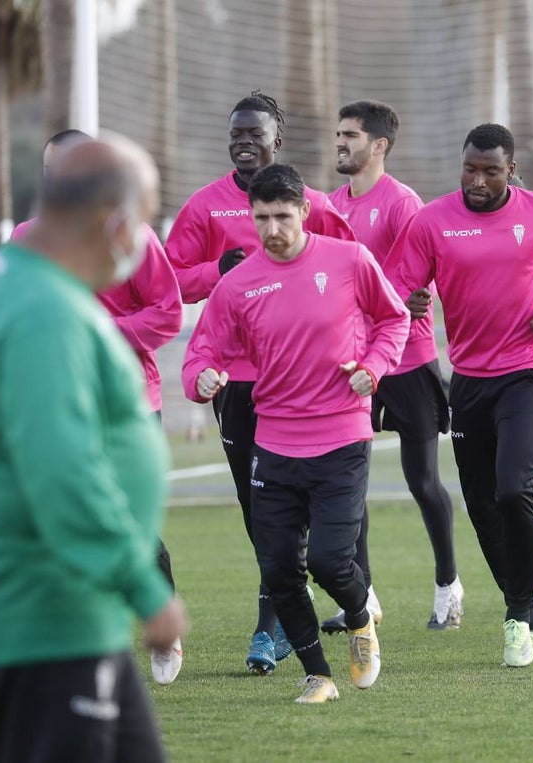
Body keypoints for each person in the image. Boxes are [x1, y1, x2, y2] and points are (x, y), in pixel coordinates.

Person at [0, 137, 189, 760]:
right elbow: (62, 473)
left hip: (67, 603)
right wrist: (147, 590)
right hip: (48, 605)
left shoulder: (10, 279)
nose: (141, 245)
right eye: (141, 223)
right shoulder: (45, 313)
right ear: (114, 222)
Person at [182, 164, 409, 703]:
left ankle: (359, 618)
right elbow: (201, 352)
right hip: (274, 444)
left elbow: (394, 319)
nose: (272, 229)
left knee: (330, 560)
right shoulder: (238, 284)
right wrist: (202, 379)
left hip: (342, 437)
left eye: (282, 216)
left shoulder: (350, 260)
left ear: (305, 211)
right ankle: (318, 675)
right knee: (279, 569)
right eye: (261, 218)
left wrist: (373, 368)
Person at [387, 123, 533, 667]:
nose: (478, 181)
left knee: (514, 492)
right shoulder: (431, 221)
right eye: (470, 169)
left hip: (530, 371)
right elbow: (396, 283)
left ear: (512, 171)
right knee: (482, 505)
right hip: (469, 378)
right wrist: (407, 299)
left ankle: (518, 617)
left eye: (491, 171)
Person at [164, 91, 360, 672]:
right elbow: (170, 279)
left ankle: (271, 627)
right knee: (259, 509)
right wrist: (214, 271)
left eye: (255, 132)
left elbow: (352, 270)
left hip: (307, 382)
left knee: (300, 507)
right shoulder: (205, 206)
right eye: (236, 133)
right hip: (238, 382)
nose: (244, 141)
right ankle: (291, 605)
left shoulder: (313, 204)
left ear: (278, 139)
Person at [14, 130, 186, 683]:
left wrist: (101, 332)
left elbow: (168, 312)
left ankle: (160, 617)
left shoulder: (132, 235)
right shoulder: (25, 238)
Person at [327, 100, 461, 630]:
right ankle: (360, 595)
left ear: (379, 145)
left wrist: (416, 296)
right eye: (339, 133)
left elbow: (424, 272)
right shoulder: (330, 206)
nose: (341, 142)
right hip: (350, 363)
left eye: (351, 135)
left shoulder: (403, 203)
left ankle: (448, 585)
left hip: (408, 360)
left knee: (422, 481)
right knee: (349, 483)